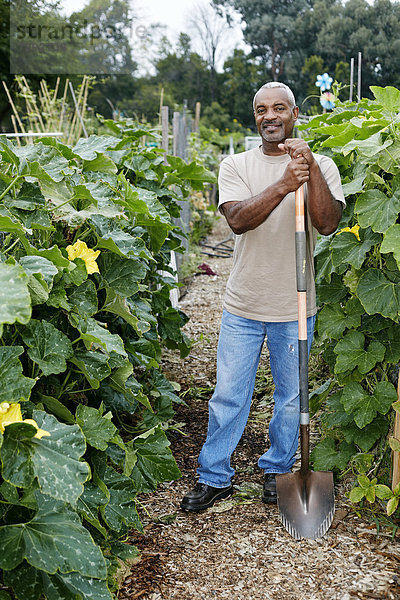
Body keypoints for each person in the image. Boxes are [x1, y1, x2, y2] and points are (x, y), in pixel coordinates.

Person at [180, 82, 345, 511]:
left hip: (295, 305)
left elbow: (327, 223)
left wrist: (308, 172)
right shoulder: (235, 164)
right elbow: (236, 219)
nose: (269, 116)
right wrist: (284, 184)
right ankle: (215, 476)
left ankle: (277, 472)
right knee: (229, 396)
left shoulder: (320, 164)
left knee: (291, 399)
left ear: (294, 114)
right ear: (255, 117)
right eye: (260, 109)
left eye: (278, 108)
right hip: (244, 305)